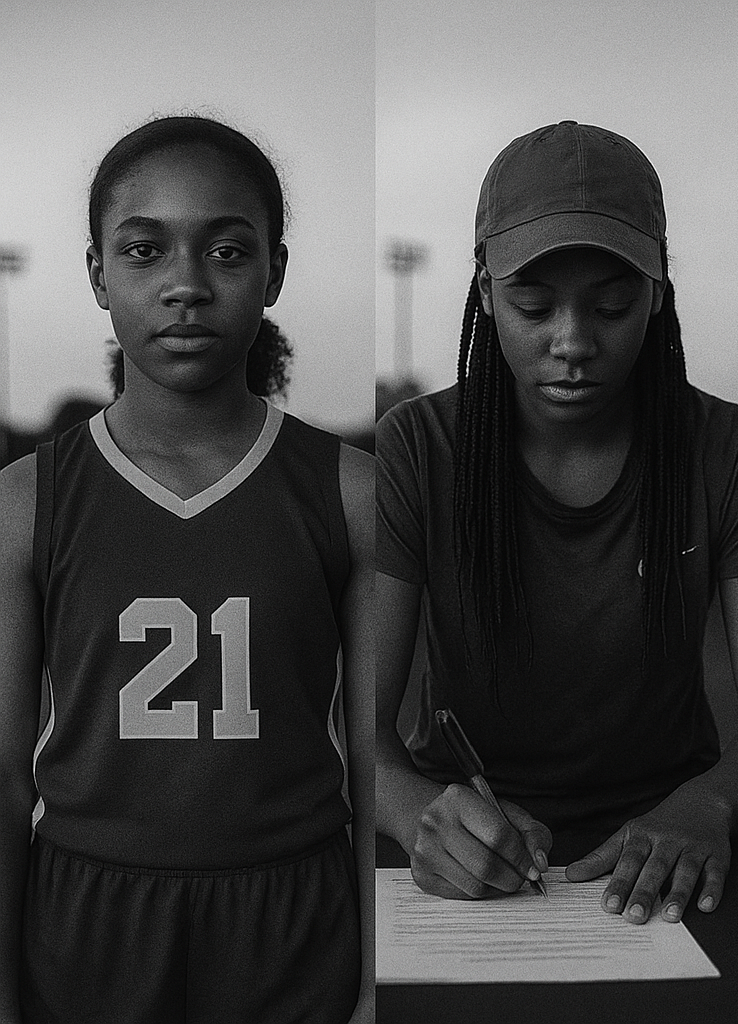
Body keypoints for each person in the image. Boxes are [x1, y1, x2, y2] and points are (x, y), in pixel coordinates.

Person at [0, 115, 373, 1023]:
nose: (186, 285)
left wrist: (370, 987)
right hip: (88, 925)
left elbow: (373, 767)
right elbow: (6, 776)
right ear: (97, 274)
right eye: (144, 250)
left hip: (293, 922)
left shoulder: (352, 492)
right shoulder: (25, 504)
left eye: (227, 250)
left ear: (275, 270)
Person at [374, 121, 738, 926]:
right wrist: (417, 814)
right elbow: (355, 726)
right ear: (483, 291)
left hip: (671, 852)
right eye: (533, 303)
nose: (574, 342)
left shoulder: (722, 448)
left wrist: (712, 804)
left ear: (660, 292)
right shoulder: (418, 448)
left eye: (613, 305)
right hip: (462, 853)